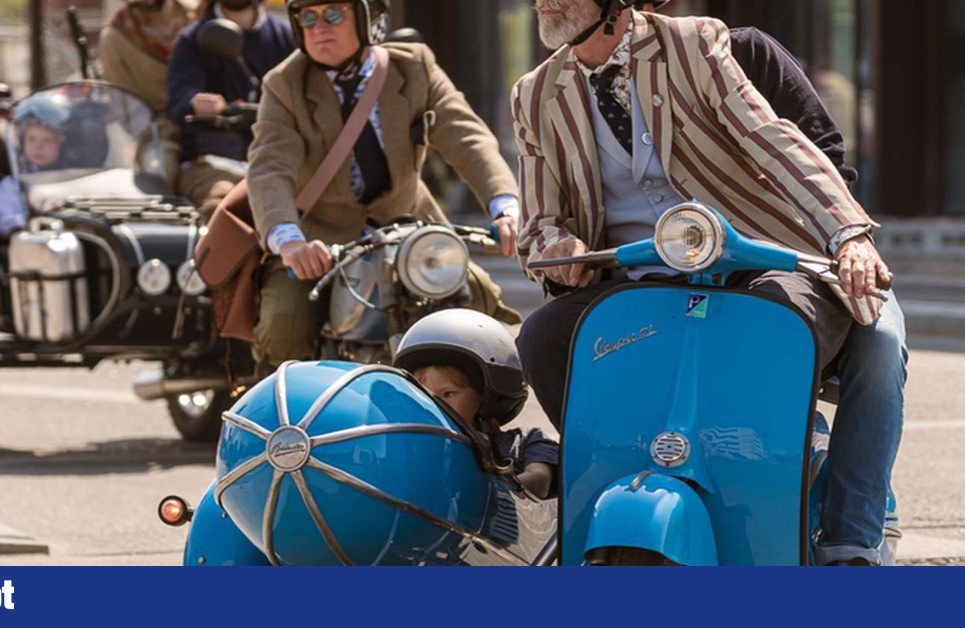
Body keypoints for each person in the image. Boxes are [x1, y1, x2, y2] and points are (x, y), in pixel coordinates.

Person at [512, 0, 902, 566]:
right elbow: (539, 223)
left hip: (757, 260)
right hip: (635, 283)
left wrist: (848, 235)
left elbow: (776, 140)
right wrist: (557, 245)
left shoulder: (694, 43)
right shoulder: (533, 93)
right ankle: (609, 484)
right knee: (544, 338)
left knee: (796, 331)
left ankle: (847, 541)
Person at [247, 0, 523, 374]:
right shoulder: (284, 83)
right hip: (321, 242)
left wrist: (504, 205)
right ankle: (281, 420)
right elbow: (269, 166)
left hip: (411, 231)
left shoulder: (414, 66)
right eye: (306, 18)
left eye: (332, 14)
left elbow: (467, 138)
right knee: (284, 324)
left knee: (480, 297)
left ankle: (480, 415)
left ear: (366, 18)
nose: (318, 27)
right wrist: (289, 240)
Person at [394, 309, 558, 500]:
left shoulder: (526, 442)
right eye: (423, 395)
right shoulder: (410, 448)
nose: (434, 404)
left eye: (448, 394)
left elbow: (539, 481)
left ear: (487, 396)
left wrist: (479, 492)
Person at [169, 0, 295, 216]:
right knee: (222, 210)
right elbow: (180, 98)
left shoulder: (285, 36)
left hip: (278, 159)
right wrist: (196, 102)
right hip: (214, 162)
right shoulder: (192, 39)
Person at [99, 0, 199, 190]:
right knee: (160, 172)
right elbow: (124, 105)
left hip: (208, 123)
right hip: (158, 131)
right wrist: (164, 129)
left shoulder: (198, 16)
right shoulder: (117, 36)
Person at [0, 112, 68, 238]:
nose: (38, 146)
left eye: (47, 140)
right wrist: (25, 228)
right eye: (31, 139)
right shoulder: (12, 184)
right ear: (22, 142)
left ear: (60, 145)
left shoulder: (72, 177)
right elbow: (9, 223)